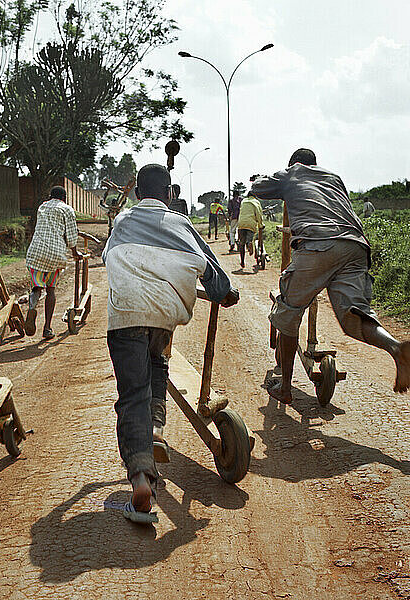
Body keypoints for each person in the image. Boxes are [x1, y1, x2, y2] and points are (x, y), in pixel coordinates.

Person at [103, 164, 239, 520]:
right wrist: (225, 295)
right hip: (164, 317)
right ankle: (157, 430)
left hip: (126, 316)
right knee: (158, 362)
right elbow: (217, 281)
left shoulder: (121, 222)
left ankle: (141, 480)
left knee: (133, 395)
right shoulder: (183, 225)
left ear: (135, 195)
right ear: (170, 194)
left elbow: (108, 258)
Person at [252, 148, 410, 403]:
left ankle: (285, 387)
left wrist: (261, 178)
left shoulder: (292, 172)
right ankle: (395, 348)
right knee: (354, 315)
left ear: (294, 164)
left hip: (318, 244)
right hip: (355, 246)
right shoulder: (333, 177)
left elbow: (259, 189)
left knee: (289, 313)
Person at [25, 185, 82, 339]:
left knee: (37, 287)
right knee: (51, 290)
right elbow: (71, 236)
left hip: (36, 251)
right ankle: (47, 328)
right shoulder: (67, 209)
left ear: (50, 196)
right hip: (55, 254)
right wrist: (75, 252)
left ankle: (31, 308)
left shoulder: (42, 207)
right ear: (64, 198)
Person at [237, 192, 265, 269]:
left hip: (241, 223)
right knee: (250, 237)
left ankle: (242, 261)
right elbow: (259, 214)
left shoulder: (243, 201)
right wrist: (260, 224)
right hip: (250, 223)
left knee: (241, 244)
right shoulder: (256, 202)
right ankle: (249, 242)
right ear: (255, 196)